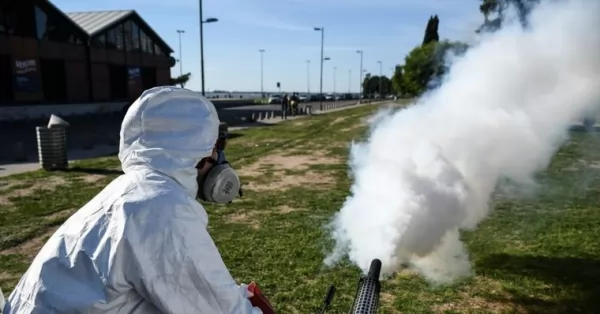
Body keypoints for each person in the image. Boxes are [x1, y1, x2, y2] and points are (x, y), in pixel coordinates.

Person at [3, 87, 264, 314]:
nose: (218, 155)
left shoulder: (131, 192)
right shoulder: (162, 210)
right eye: (215, 144)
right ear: (197, 150)